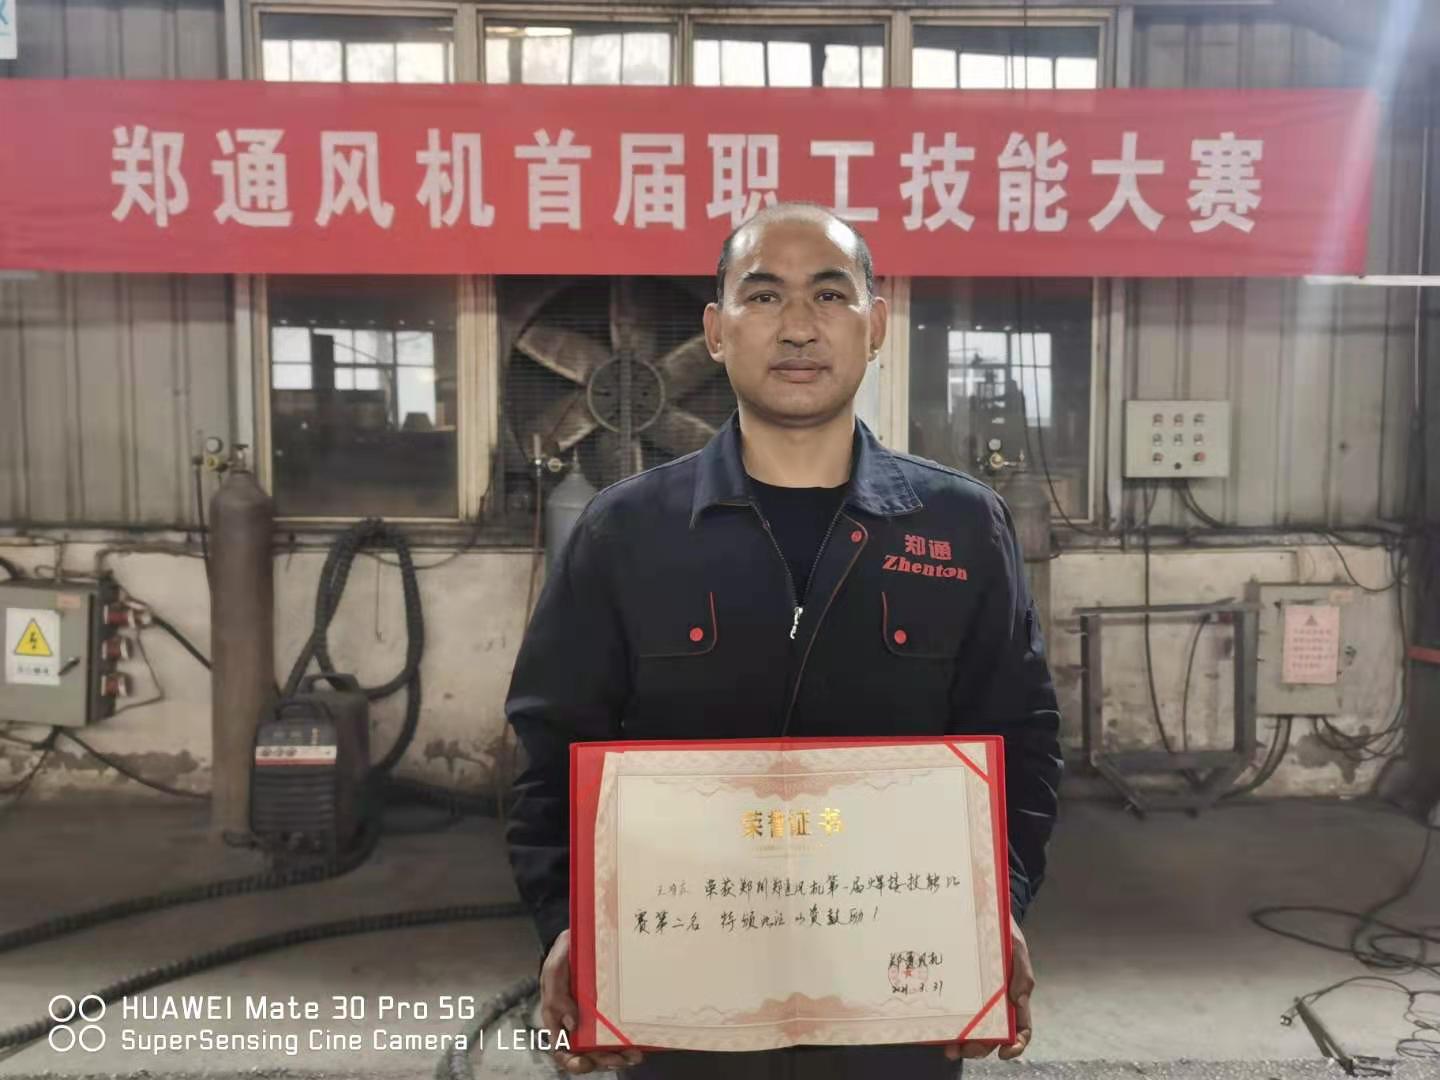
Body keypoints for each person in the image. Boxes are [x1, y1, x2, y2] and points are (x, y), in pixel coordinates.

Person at [504, 202, 1063, 1079]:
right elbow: (550, 748)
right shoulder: (624, 533)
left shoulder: (961, 527)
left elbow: (1022, 739)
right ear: (715, 330)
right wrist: (568, 922)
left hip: (895, 1003)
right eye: (763, 296)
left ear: (876, 326)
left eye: (830, 295)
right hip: (682, 1006)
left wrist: (998, 909)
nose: (799, 326)